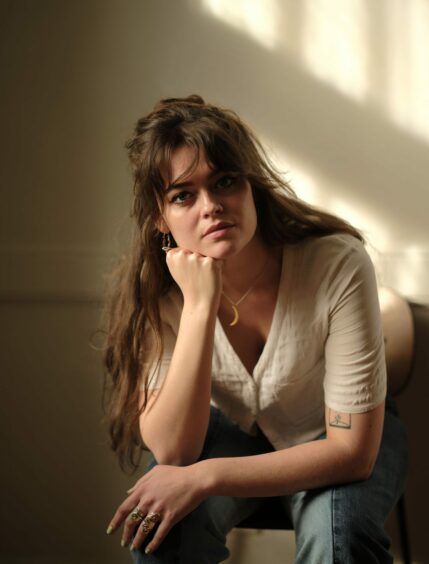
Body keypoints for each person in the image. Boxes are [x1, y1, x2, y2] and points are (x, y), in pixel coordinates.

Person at [103, 95, 408, 563]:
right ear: (161, 218)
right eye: (183, 195)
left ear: (251, 187)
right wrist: (200, 306)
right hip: (233, 434)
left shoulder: (336, 265)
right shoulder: (159, 293)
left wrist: (208, 478)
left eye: (225, 182)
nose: (211, 206)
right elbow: (172, 451)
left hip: (336, 438)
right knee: (157, 531)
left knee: (338, 543)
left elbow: (351, 451)